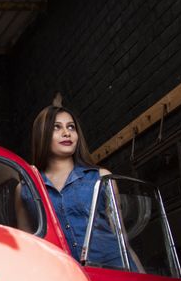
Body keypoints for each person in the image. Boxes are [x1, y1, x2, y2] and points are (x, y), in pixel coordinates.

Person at [29, 105, 122, 268]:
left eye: (71, 127)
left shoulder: (101, 177)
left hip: (112, 270)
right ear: (42, 134)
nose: (67, 133)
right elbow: (28, 247)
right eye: (56, 127)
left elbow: (121, 237)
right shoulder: (27, 187)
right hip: (62, 276)